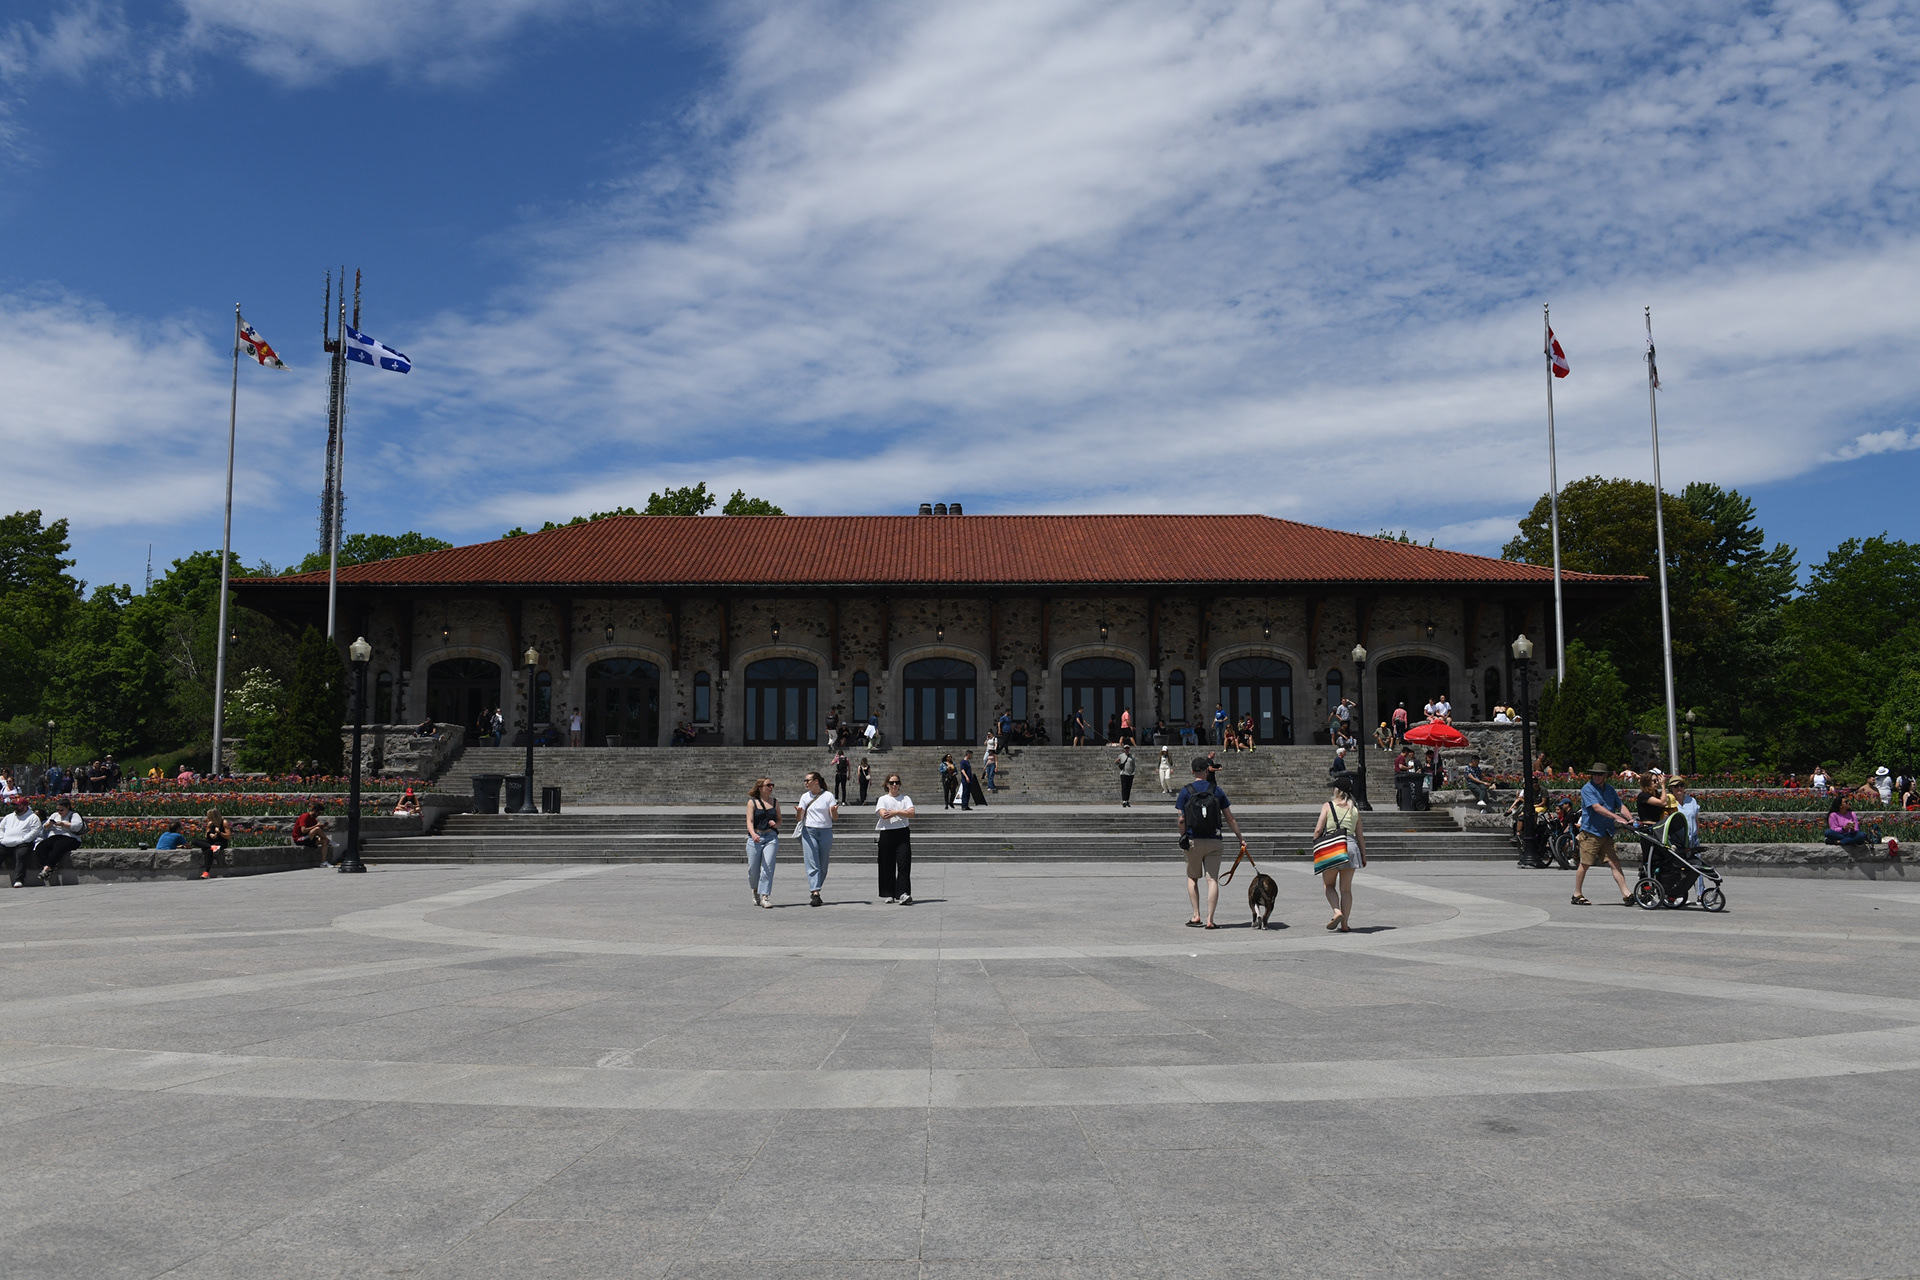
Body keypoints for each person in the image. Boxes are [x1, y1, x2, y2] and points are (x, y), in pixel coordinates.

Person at [1175, 756, 1245, 929]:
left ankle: (1196, 915)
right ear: (1207, 770)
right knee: (1212, 879)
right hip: (1214, 840)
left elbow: (1181, 819)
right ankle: (1210, 920)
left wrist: (1183, 836)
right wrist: (1240, 838)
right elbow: (1230, 818)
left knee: (1192, 877)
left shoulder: (1186, 791)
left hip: (1193, 840)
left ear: (1192, 771)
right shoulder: (1217, 790)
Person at [1571, 763, 1635, 907]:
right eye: (1595, 774)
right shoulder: (1587, 789)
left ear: (1605, 775)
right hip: (1591, 832)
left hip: (1606, 832)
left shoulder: (1610, 790)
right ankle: (1577, 894)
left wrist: (1630, 819)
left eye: (1600, 774)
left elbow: (1621, 806)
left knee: (1615, 863)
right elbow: (1596, 807)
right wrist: (1616, 817)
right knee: (1585, 864)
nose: (1597, 776)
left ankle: (1626, 894)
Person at [1312, 773, 1366, 932]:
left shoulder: (1328, 806)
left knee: (1328, 885)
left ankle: (1337, 912)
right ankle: (1344, 925)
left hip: (1332, 847)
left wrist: (1316, 845)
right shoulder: (1354, 809)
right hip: (1351, 847)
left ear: (1337, 790)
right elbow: (1360, 836)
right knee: (1346, 889)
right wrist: (1363, 855)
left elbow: (1318, 829)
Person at [795, 771, 837, 907]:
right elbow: (799, 818)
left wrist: (834, 810)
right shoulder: (804, 797)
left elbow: (834, 817)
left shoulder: (828, 796)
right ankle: (815, 892)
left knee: (823, 864)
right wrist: (798, 812)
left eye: (808, 780)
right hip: (809, 831)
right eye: (805, 781)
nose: (806, 783)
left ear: (816, 781)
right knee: (812, 862)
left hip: (825, 831)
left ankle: (817, 887)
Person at [875, 772, 914, 904]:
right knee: (887, 864)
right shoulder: (883, 799)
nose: (894, 785)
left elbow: (912, 813)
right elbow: (883, 814)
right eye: (891, 783)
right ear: (887, 785)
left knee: (904, 863)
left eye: (896, 782)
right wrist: (903, 813)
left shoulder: (905, 798)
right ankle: (889, 893)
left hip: (902, 833)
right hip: (887, 833)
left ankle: (903, 893)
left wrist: (896, 812)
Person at [746, 777, 779, 908]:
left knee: (768, 867)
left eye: (772, 785)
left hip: (771, 837)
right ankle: (755, 890)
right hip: (756, 837)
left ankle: (765, 896)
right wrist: (753, 834)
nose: (771, 787)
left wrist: (776, 824)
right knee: (753, 869)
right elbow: (749, 821)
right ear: (760, 788)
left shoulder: (775, 802)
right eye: (768, 785)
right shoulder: (752, 803)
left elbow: (780, 820)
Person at [4, 795, 43, 888]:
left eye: (18, 805)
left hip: (23, 843)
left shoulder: (33, 817)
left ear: (25, 806)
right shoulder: (9, 817)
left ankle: (19, 880)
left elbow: (35, 831)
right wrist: (1, 839)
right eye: (15, 805)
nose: (16, 807)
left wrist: (23, 840)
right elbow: (1, 828)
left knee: (21, 855)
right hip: (6, 843)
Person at [193, 808, 232, 879]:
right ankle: (211, 846)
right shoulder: (210, 823)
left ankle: (206, 872)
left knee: (209, 851)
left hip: (220, 842)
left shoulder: (224, 822)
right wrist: (209, 833)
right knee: (194, 841)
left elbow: (228, 836)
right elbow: (206, 836)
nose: (208, 818)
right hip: (211, 842)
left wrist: (219, 832)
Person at [291, 801, 334, 866]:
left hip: (309, 838)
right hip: (300, 839)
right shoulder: (304, 816)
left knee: (324, 841)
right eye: (318, 813)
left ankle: (323, 862)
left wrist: (322, 827)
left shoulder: (314, 819)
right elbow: (303, 830)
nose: (318, 815)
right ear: (314, 810)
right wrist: (316, 826)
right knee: (317, 829)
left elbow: (314, 830)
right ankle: (329, 841)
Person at [1115, 742, 1136, 807]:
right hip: (1123, 773)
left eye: (1127, 748)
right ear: (1124, 749)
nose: (1126, 750)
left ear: (1129, 749)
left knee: (1128, 787)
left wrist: (1133, 772)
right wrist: (1117, 761)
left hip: (1130, 774)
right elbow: (1116, 763)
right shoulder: (1121, 756)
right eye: (1125, 748)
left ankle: (1127, 800)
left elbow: (1134, 765)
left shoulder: (1132, 756)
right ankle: (1124, 800)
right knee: (1124, 787)